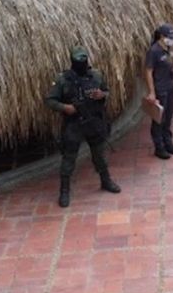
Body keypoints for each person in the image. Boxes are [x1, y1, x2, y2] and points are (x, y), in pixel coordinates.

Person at [44, 46, 121, 208]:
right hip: (74, 124)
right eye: (79, 61)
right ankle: (64, 191)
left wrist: (102, 95)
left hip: (94, 121)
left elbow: (107, 91)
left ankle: (105, 180)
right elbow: (50, 100)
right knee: (69, 159)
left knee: (100, 155)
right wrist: (65, 108)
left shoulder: (96, 75)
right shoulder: (62, 80)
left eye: (84, 61)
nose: (82, 64)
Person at [145, 23, 173, 160]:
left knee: (169, 116)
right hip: (160, 89)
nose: (172, 39)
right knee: (159, 119)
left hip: (170, 87)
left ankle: (168, 142)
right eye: (169, 37)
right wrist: (151, 92)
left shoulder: (169, 48)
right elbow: (148, 72)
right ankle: (159, 147)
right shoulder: (153, 51)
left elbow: (171, 65)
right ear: (161, 36)